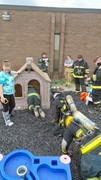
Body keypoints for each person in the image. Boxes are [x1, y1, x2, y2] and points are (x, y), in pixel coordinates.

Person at [0, 60, 19, 126]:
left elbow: (13, 72)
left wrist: (17, 72)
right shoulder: (2, 75)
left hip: (10, 93)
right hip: (4, 94)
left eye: (8, 67)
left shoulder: (9, 73)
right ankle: (7, 121)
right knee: (6, 108)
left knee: (13, 105)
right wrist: (2, 97)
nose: (7, 69)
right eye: (5, 67)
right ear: (3, 67)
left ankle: (8, 114)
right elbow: (0, 87)